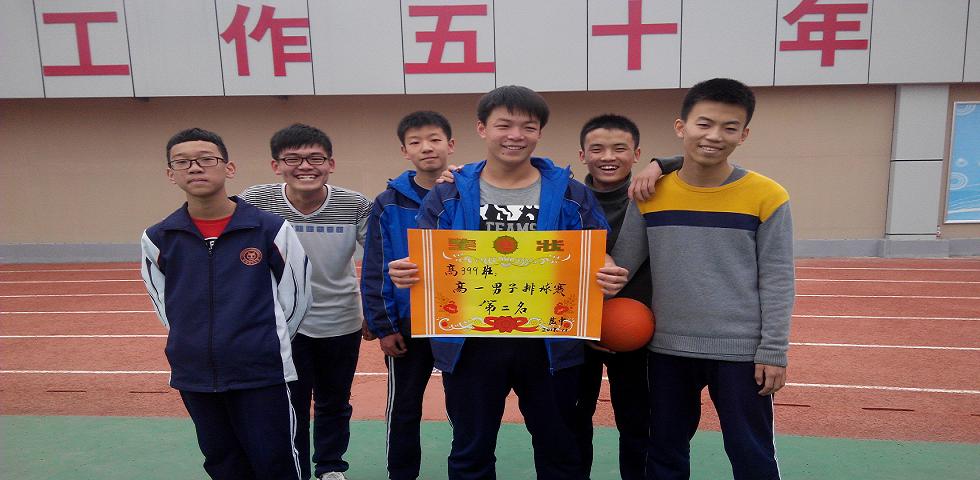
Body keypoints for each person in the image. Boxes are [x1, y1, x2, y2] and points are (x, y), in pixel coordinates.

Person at [388, 85, 630, 480]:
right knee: (470, 451)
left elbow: (594, 250)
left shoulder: (572, 193)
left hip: (551, 343)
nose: (515, 135)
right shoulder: (448, 192)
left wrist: (608, 270)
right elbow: (426, 257)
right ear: (482, 129)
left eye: (528, 127)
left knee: (560, 450)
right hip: (470, 345)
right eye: (504, 125)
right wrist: (406, 272)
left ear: (539, 133)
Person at [636, 78, 795, 480]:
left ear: (744, 135)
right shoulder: (650, 194)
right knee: (665, 451)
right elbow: (621, 265)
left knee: (751, 453)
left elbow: (777, 278)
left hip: (741, 353)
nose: (714, 136)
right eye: (704, 124)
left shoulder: (767, 195)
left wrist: (773, 350)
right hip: (667, 349)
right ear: (681, 127)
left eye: (729, 127)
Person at [140, 127, 312, 480]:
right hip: (195, 374)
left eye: (206, 159)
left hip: (261, 372)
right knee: (222, 461)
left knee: (275, 460)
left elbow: (296, 299)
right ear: (171, 174)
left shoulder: (269, 229)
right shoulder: (158, 238)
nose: (195, 167)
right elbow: (164, 305)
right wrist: (194, 341)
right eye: (183, 162)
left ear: (229, 168)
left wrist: (263, 341)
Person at [240, 124, 373, 480]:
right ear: (276, 165)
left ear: (331, 163)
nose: (305, 166)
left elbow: (380, 255)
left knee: (335, 401)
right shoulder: (255, 201)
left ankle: (330, 466)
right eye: (293, 159)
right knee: (291, 404)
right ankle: (294, 468)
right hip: (283, 326)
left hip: (341, 321)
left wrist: (376, 311)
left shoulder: (355, 204)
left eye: (315, 158)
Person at [574, 114, 682, 480]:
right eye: (597, 149)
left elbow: (705, 159)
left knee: (639, 424)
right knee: (573, 420)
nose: (608, 157)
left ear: (636, 154)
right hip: (578, 331)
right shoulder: (567, 199)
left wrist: (662, 163)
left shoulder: (655, 191)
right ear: (582, 155)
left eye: (619, 148)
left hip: (637, 333)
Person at [360, 110, 456, 480]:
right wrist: (384, 326)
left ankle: (468, 469)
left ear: (450, 144)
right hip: (408, 324)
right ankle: (401, 473)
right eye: (415, 142)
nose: (426, 147)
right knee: (404, 406)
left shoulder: (469, 193)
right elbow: (376, 266)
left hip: (460, 323)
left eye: (434, 139)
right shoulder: (388, 202)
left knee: (465, 406)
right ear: (404, 151)